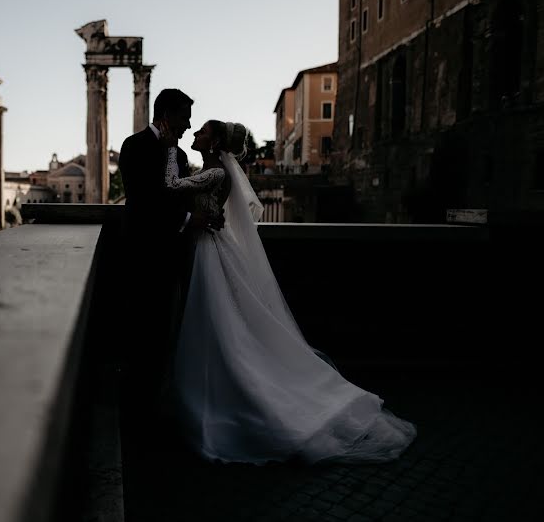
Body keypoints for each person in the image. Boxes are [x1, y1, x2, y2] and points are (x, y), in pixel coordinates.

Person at [157, 119, 417, 464]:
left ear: (215, 140)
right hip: (205, 245)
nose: (194, 134)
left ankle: (222, 397)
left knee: (215, 323)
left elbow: (171, 185)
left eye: (201, 131)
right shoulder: (213, 170)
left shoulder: (216, 173)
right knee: (213, 322)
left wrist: (169, 149)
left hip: (208, 250)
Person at [117, 89, 222, 416]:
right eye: (184, 117)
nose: (188, 125)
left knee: (164, 338)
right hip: (142, 258)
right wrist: (191, 219)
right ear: (165, 115)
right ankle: (137, 410)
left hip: (171, 261)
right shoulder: (133, 146)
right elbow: (144, 202)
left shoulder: (176, 154)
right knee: (141, 336)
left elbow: (177, 196)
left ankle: (154, 405)